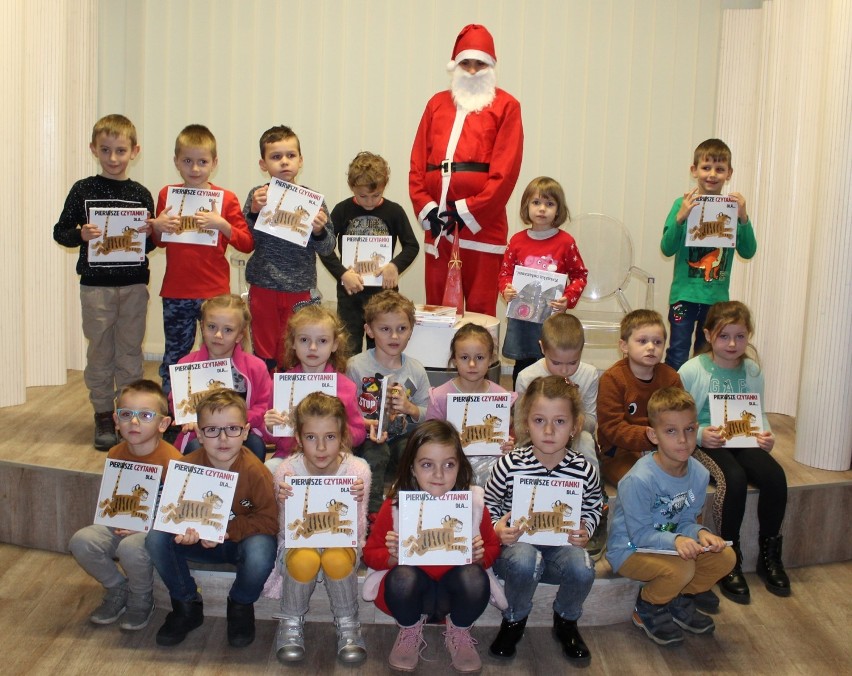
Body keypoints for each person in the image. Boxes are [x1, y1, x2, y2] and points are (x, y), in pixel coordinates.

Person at [362, 420, 502, 673]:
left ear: (459, 467)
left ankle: (459, 630)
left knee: (475, 577)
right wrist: (392, 558)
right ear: (412, 468)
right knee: (401, 577)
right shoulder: (395, 507)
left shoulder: (473, 505)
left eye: (448, 465)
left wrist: (480, 557)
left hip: (454, 596)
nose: (439, 475)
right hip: (416, 598)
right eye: (427, 465)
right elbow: (370, 554)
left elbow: (493, 547)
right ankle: (409, 629)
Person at [53, 114, 156, 450]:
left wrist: (150, 232)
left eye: (121, 150)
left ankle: (130, 414)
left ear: (134, 151)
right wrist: (80, 234)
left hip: (134, 285)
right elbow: (61, 232)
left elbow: (150, 246)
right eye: (106, 150)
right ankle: (102, 414)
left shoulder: (140, 193)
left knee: (129, 352)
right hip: (95, 287)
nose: (113, 158)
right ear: (93, 149)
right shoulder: (83, 189)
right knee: (100, 352)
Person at [485, 376, 602, 666]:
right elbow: (488, 507)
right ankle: (514, 619)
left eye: (560, 422)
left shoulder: (583, 470)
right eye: (539, 420)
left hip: (560, 550)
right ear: (526, 423)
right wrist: (499, 528)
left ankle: (566, 621)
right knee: (526, 558)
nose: (549, 431)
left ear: (575, 426)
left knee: (583, 566)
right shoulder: (510, 464)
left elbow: (592, 507)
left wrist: (585, 529)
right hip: (517, 553)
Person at [145, 390, 277, 648]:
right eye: (213, 430)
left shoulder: (256, 472)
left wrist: (226, 530)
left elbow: (270, 521)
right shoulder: (186, 467)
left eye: (232, 429)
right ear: (201, 435)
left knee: (262, 548)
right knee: (156, 539)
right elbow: (170, 514)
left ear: (246, 431)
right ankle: (186, 605)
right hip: (199, 542)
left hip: (239, 543)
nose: (224, 438)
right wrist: (184, 531)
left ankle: (240, 604)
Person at [678, 301, 789, 603]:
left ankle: (770, 555)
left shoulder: (752, 370)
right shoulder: (692, 369)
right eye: (724, 336)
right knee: (734, 479)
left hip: (743, 438)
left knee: (775, 477)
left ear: (749, 335)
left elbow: (759, 411)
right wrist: (700, 434)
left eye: (740, 336)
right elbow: (679, 416)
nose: (732, 343)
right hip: (707, 442)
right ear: (708, 334)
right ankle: (730, 558)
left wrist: (767, 435)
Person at [606, 387, 736, 645]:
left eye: (689, 430)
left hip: (670, 544)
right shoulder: (638, 480)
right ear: (653, 435)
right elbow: (640, 535)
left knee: (724, 558)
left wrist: (700, 534)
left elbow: (687, 519)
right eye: (671, 431)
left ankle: (678, 600)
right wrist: (676, 541)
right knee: (683, 567)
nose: (683, 440)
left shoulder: (698, 473)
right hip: (630, 549)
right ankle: (648, 607)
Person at [409, 24, 523, 316]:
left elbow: (505, 172)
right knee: (437, 309)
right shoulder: (436, 104)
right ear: (455, 66)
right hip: (439, 227)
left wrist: (467, 210)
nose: (472, 70)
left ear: (491, 67)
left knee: (481, 312)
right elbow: (417, 164)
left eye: (480, 64)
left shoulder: (507, 106)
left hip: (482, 227)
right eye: (466, 63)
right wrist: (426, 209)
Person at [264, 392, 372, 664]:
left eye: (330, 437)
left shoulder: (357, 470)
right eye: (311, 437)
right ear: (299, 439)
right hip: (298, 543)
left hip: (342, 545)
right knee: (304, 557)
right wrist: (282, 501)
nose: (321, 447)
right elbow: (285, 532)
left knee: (336, 556)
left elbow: (356, 533)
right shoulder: (286, 471)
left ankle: (348, 623)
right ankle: (290, 621)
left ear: (343, 436)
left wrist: (357, 499)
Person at [148, 124, 253, 396]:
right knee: (175, 355)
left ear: (214, 163)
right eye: (187, 161)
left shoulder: (226, 199)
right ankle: (172, 410)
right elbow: (158, 242)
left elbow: (246, 242)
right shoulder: (166, 195)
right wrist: (158, 226)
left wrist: (222, 224)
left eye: (202, 162)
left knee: (221, 356)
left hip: (214, 295)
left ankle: (223, 409)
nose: (195, 169)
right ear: (176, 162)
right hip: (176, 291)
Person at [69, 380, 181, 630]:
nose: (134, 422)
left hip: (155, 531)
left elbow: (177, 513)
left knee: (131, 546)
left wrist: (146, 526)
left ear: (163, 424)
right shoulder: (115, 453)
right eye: (126, 414)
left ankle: (141, 597)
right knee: (81, 540)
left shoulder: (172, 460)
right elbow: (112, 499)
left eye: (145, 415)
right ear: (116, 420)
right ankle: (117, 587)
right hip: (119, 522)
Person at [515, 312, 606, 560]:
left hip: (572, 435)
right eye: (556, 363)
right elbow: (522, 425)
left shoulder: (588, 374)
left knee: (586, 443)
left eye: (572, 362)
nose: (564, 370)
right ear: (542, 348)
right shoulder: (526, 377)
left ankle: (590, 516)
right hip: (534, 439)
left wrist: (571, 412)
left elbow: (591, 421)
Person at [242, 124, 334, 371]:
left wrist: (319, 231)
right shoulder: (257, 196)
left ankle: (293, 400)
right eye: (275, 157)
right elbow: (245, 241)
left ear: (300, 160)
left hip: (300, 288)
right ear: (263, 164)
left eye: (290, 156)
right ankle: (267, 397)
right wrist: (252, 213)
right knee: (265, 350)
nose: (284, 162)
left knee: (297, 346)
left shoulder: (314, 201)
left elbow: (327, 248)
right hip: (264, 286)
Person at [660, 138, 757, 370]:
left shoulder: (734, 207)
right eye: (706, 167)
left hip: (716, 301)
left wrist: (743, 217)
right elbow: (667, 247)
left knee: (707, 357)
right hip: (684, 295)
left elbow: (748, 250)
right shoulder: (680, 204)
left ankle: (701, 402)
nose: (712, 174)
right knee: (677, 353)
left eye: (719, 169)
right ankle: (674, 405)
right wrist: (681, 217)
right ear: (694, 170)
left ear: (729, 173)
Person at [319, 152, 420, 354]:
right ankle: (351, 386)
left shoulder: (394, 211)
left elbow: (412, 245)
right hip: (350, 293)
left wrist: (394, 266)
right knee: (349, 347)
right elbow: (324, 247)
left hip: (383, 293)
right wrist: (342, 274)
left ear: (384, 187)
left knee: (383, 347)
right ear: (352, 187)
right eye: (363, 196)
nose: (369, 202)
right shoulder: (342, 210)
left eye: (376, 195)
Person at [346, 290, 430, 515]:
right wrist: (367, 424)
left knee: (415, 454)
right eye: (385, 329)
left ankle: (411, 511)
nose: (394, 337)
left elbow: (428, 412)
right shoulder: (355, 366)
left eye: (402, 329)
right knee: (376, 454)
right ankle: (372, 513)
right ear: (369, 331)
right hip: (367, 439)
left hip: (402, 438)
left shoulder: (416, 370)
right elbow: (346, 412)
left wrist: (410, 408)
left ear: (411, 330)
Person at [499, 177, 588, 384]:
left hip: (552, 319)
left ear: (558, 210)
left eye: (549, 204)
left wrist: (568, 298)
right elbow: (504, 274)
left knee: (552, 365)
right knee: (523, 364)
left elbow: (579, 275)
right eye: (536, 202)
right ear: (526, 206)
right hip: (522, 319)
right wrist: (506, 289)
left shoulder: (566, 242)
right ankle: (520, 407)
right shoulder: (517, 241)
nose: (542, 209)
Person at [264, 304, 366, 473]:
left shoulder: (345, 386)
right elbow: (271, 437)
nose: (312, 347)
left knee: (361, 468)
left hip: (332, 459)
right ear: (292, 343)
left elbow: (359, 433)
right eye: (304, 340)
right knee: (269, 468)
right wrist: (269, 427)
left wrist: (336, 433)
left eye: (322, 341)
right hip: (290, 458)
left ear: (334, 345)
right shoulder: (281, 385)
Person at [171, 294, 270, 462]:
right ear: (202, 327)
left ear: (239, 336)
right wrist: (189, 420)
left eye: (228, 330)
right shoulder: (186, 364)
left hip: (239, 435)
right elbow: (176, 400)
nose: (218, 335)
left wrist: (241, 420)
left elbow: (264, 403)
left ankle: (243, 487)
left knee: (256, 445)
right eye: (211, 327)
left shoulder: (256, 367)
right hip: (202, 435)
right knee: (195, 448)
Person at [597, 309, 683, 487]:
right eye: (642, 341)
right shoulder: (613, 378)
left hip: (664, 449)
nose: (651, 347)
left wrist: (665, 440)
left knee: (687, 479)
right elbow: (612, 427)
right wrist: (652, 435)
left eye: (657, 342)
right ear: (624, 346)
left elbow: (681, 417)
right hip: (619, 453)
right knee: (641, 483)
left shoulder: (671, 377)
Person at [424, 323, 516, 486]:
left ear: (491, 359)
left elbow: (505, 437)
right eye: (464, 357)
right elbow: (429, 439)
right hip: (449, 467)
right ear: (454, 360)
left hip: (491, 468)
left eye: (479, 358)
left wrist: (508, 444)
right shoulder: (440, 397)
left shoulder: (500, 397)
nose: (472, 364)